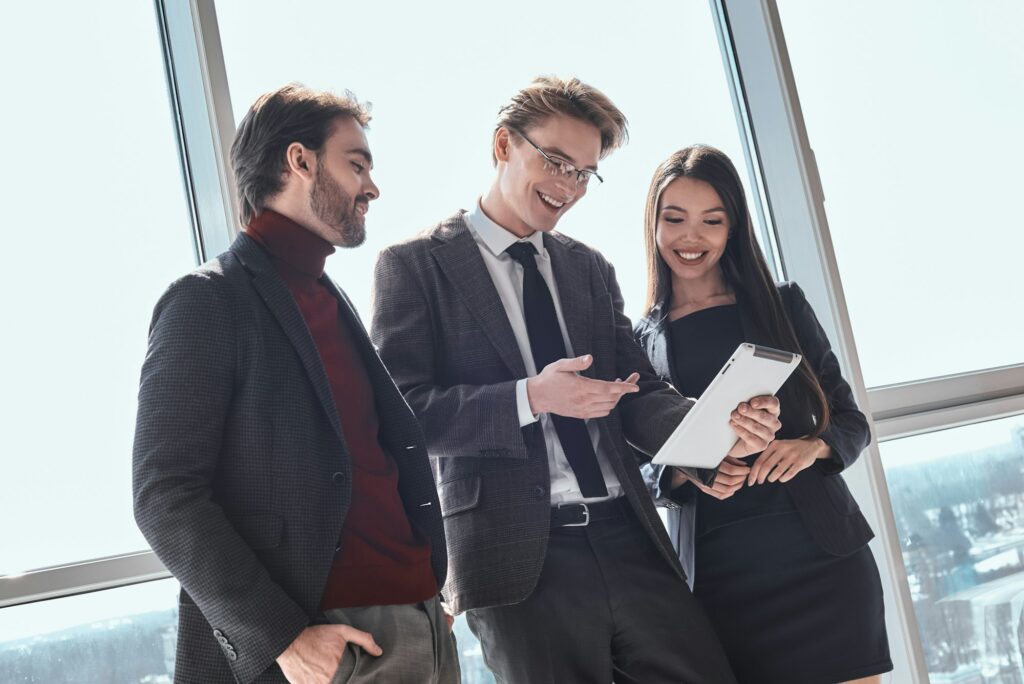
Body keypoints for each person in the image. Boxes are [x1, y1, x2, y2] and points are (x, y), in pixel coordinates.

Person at [371, 76, 781, 683]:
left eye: (585, 173)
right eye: (556, 162)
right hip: (515, 561)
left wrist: (709, 427)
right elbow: (404, 416)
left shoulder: (587, 268)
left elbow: (636, 389)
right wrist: (531, 397)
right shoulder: (415, 266)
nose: (568, 186)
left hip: (629, 534)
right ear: (503, 145)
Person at [132, 84, 456, 684]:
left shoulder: (329, 299)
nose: (372, 187)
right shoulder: (206, 301)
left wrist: (424, 596)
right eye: (356, 164)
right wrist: (282, 638)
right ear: (300, 161)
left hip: (418, 620)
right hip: (327, 637)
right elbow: (164, 495)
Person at [634, 144, 893, 684]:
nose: (691, 237)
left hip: (822, 561)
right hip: (722, 579)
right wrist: (688, 470)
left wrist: (810, 447)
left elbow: (849, 420)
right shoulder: (639, 342)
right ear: (653, 224)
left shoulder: (783, 304)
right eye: (674, 218)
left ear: (733, 227)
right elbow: (636, 468)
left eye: (712, 220)